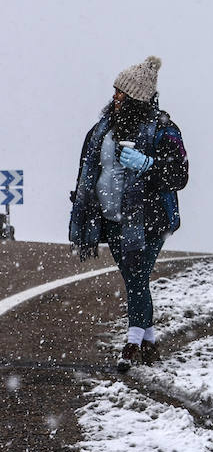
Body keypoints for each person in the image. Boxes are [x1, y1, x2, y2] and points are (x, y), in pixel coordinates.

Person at [68, 56, 189, 372]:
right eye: (115, 91)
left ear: (138, 99)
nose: (115, 98)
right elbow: (88, 169)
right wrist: (84, 198)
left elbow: (180, 175)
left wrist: (148, 165)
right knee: (135, 278)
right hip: (112, 220)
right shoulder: (101, 130)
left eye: (122, 93)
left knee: (136, 277)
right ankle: (149, 340)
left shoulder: (163, 130)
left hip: (150, 222)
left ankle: (133, 341)